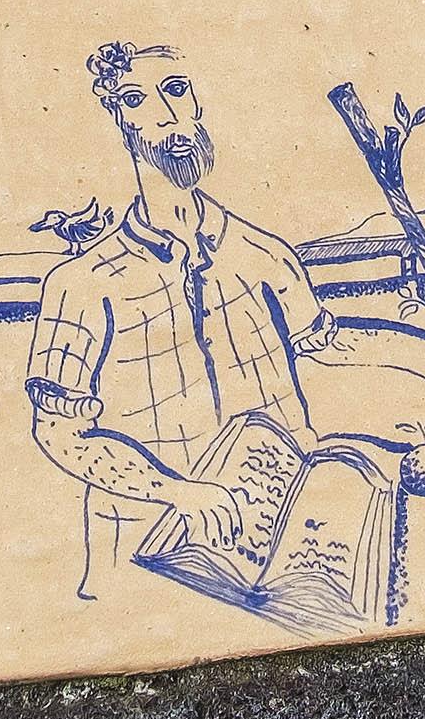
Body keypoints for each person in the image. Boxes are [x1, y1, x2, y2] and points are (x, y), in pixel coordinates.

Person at [25, 39, 345, 598]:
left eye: (175, 90)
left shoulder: (265, 254)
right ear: (119, 120)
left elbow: (335, 354)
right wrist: (173, 490)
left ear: (197, 102)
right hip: (143, 556)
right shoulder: (79, 286)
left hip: (281, 544)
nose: (165, 114)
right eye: (135, 100)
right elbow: (58, 432)